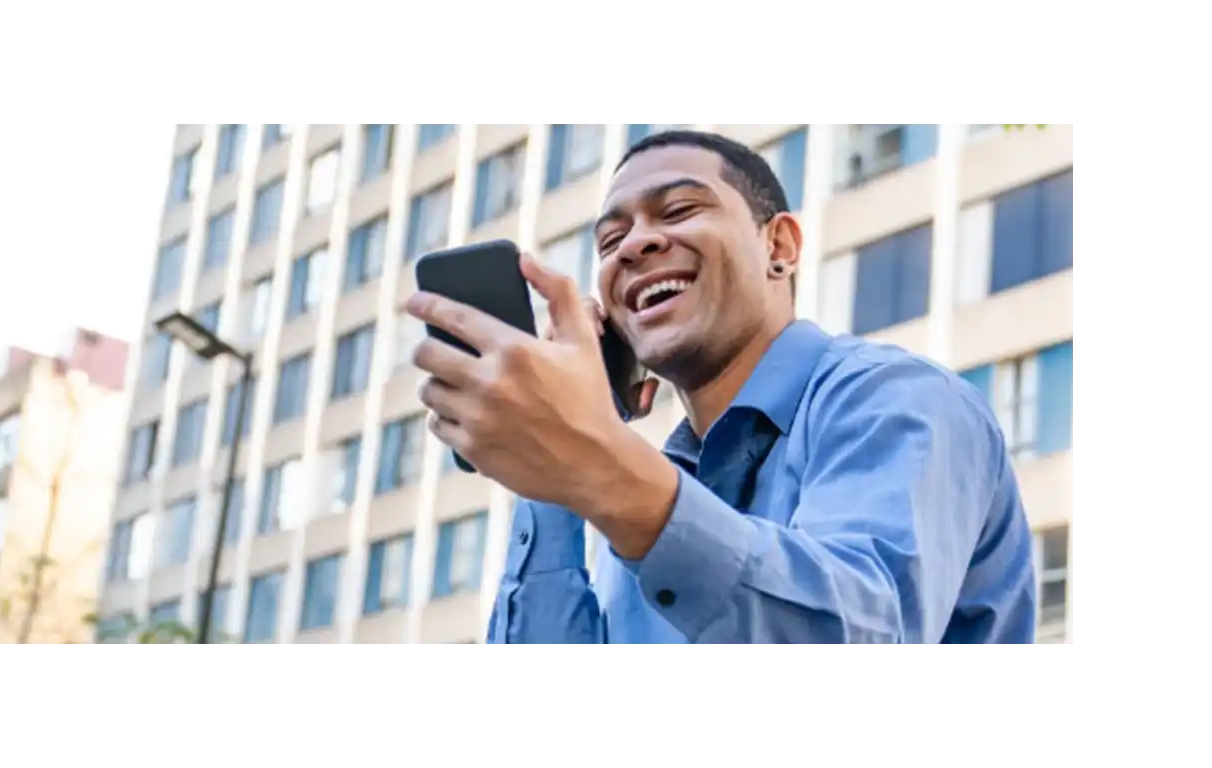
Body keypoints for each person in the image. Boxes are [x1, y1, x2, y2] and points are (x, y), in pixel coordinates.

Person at [404, 129, 1037, 646]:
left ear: (780, 247)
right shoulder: (641, 493)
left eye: (679, 210)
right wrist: (550, 469)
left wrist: (595, 460)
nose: (636, 244)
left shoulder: (897, 399)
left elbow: (859, 642)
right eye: (610, 239)